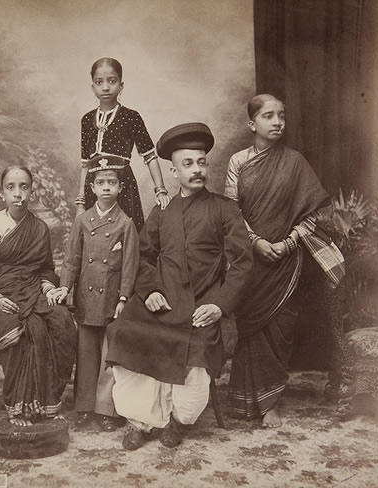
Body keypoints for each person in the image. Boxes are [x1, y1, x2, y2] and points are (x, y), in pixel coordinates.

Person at [106, 123, 253, 450]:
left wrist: (218, 305)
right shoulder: (162, 213)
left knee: (196, 350)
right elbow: (143, 257)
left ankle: (178, 420)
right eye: (188, 164)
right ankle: (139, 420)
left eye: (201, 162)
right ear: (174, 172)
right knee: (123, 332)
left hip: (202, 303)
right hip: (162, 299)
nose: (197, 169)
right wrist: (152, 290)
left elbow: (243, 262)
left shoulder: (225, 209)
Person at [224, 94, 346, 428]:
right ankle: (246, 398)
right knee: (253, 328)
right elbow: (232, 212)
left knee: (280, 330)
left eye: (281, 115)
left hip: (286, 260)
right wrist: (257, 242)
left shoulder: (295, 162)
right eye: (268, 116)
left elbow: (316, 211)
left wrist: (289, 242)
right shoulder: (238, 162)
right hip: (252, 260)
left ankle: (270, 403)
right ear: (252, 124)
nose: (277, 121)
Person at [0, 165, 76, 426]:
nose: (18, 193)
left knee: (61, 322)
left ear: (32, 191)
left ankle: (47, 401)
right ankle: (18, 405)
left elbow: (46, 268)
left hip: (32, 290)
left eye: (24, 187)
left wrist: (49, 288)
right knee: (19, 330)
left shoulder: (39, 228)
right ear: (2, 193)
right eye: (11, 187)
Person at [52, 155, 140, 432]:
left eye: (111, 183)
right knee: (86, 352)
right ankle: (84, 407)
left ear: (120, 188)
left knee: (106, 356)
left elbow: (129, 267)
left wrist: (124, 298)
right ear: (91, 188)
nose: (105, 188)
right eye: (100, 182)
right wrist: (66, 287)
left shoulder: (125, 224)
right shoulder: (82, 220)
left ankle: (106, 409)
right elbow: (72, 259)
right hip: (86, 298)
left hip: (111, 298)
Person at [75, 57, 172, 231]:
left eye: (112, 81)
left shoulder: (131, 117)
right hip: (94, 184)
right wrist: (81, 202)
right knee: (94, 234)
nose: (105, 87)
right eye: (99, 82)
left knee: (125, 233)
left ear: (121, 85)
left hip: (122, 182)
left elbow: (150, 156)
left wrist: (161, 190)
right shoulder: (87, 119)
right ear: (92, 87)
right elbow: (85, 165)